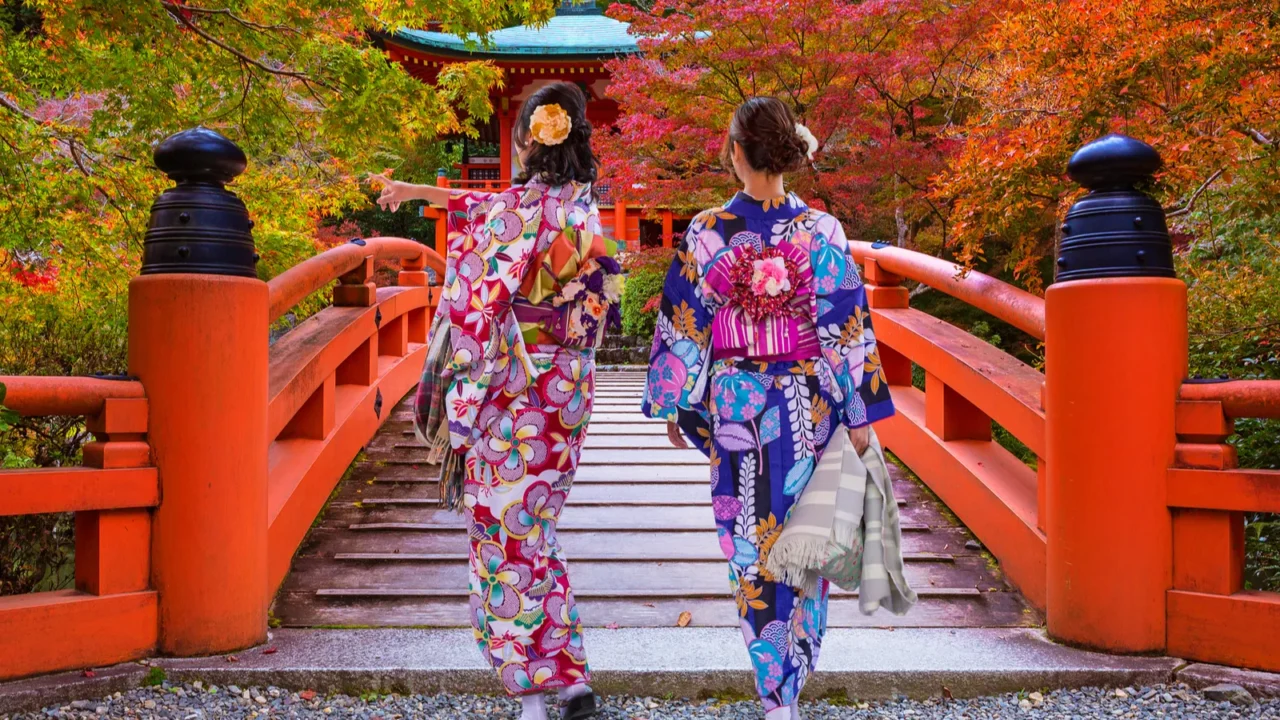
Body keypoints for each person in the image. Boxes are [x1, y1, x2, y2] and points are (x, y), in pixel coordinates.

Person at [640, 97, 895, 720]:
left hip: (738, 412)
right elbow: (846, 330)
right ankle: (792, 679)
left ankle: (775, 693)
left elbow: (684, 325)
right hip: (808, 407)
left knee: (753, 549)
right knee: (805, 541)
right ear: (786, 153)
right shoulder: (824, 232)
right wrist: (858, 417)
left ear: (736, 153)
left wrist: (674, 403)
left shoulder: (706, 232)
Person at [372, 81, 620, 720]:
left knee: (501, 539)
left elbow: (472, 303)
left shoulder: (506, 213)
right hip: (568, 389)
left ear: (525, 141)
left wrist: (464, 380)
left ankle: (531, 691)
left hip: (510, 390)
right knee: (536, 527)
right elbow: (597, 310)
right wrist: (420, 194)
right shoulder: (590, 220)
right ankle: (569, 677)